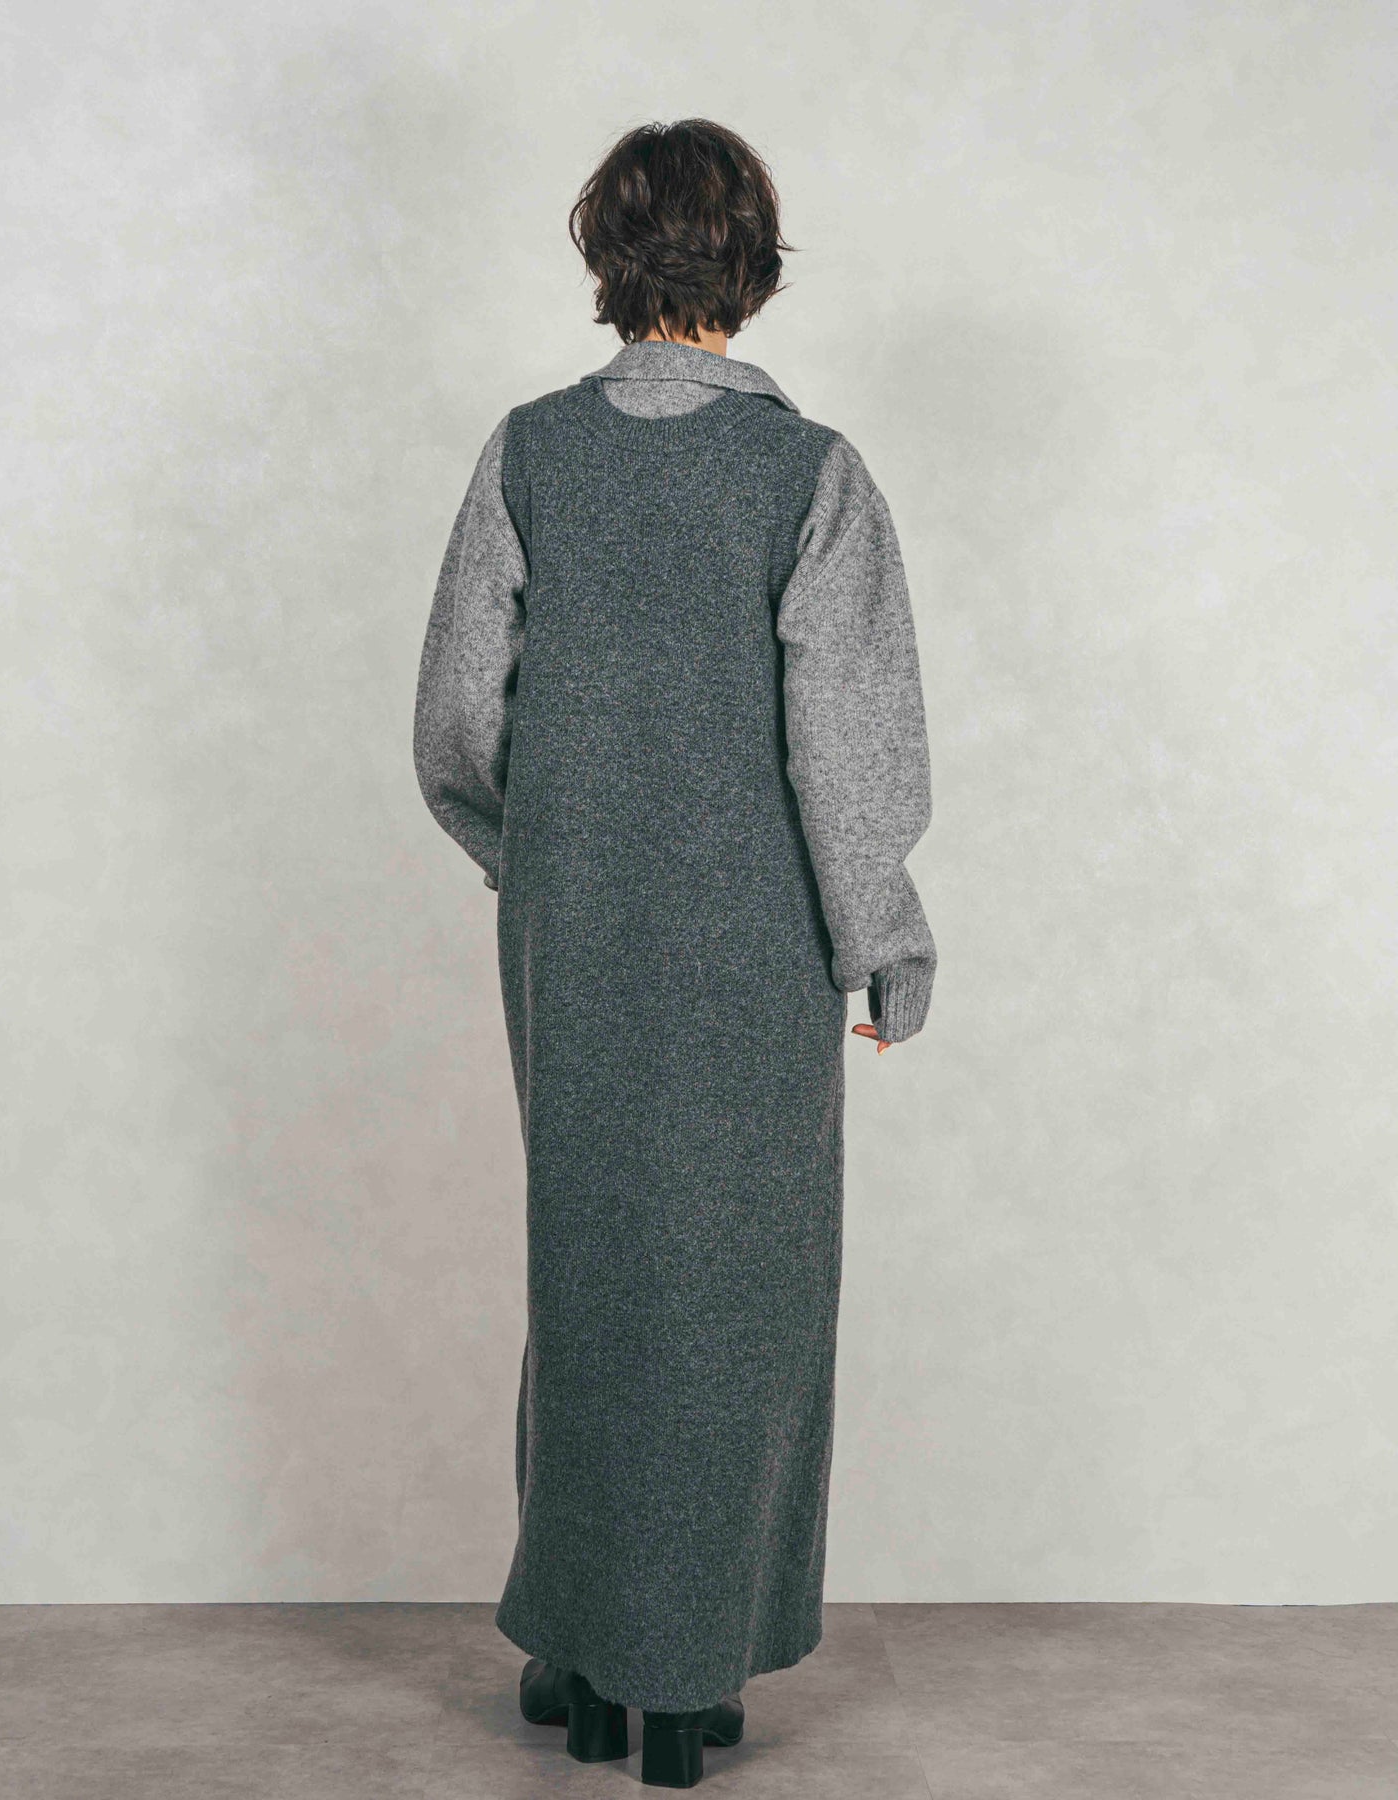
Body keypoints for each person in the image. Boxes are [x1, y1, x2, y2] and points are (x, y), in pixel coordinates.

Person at [413, 117, 936, 1790]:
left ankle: (581, 1647)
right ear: (753, 266)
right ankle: (687, 1673)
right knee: (738, 1291)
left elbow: (457, 724)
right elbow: (847, 750)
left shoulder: (528, 456)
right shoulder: (810, 476)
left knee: (590, 1276)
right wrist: (882, 940)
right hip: (759, 939)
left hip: (574, 933)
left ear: (607, 259)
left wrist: (542, 864)